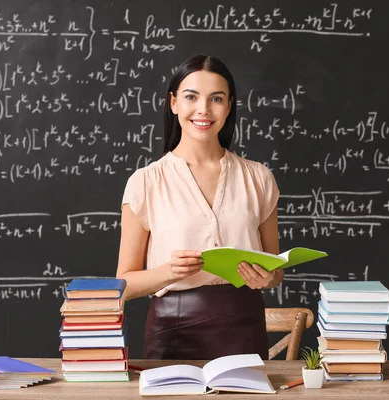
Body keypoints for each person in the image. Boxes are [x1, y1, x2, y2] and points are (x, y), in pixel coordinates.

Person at [116, 54, 283, 360]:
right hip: (172, 328)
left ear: (229, 106)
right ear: (174, 102)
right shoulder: (146, 181)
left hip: (244, 325)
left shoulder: (258, 177)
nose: (203, 109)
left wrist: (267, 277)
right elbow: (124, 284)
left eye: (216, 99)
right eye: (191, 97)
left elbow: (275, 270)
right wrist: (169, 271)